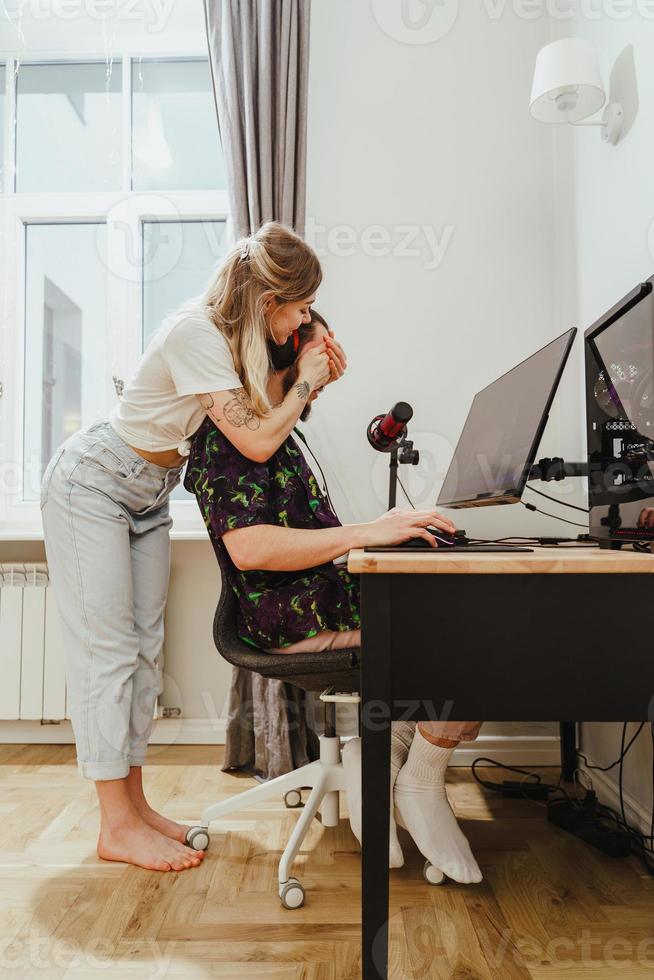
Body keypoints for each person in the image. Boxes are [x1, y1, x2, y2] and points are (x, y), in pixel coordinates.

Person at [39, 223, 347, 873]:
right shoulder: (195, 332)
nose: (303, 319)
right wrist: (303, 380)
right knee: (108, 656)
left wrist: (307, 375)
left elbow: (257, 414)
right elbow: (259, 441)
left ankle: (136, 806)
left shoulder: (230, 346)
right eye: (299, 307)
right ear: (269, 301)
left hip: (148, 493)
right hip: (92, 485)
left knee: (144, 655)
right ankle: (114, 824)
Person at [185, 311, 483, 884]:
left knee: (468, 599)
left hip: (320, 595)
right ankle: (418, 783)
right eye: (323, 348)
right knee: (468, 628)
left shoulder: (284, 435)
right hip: (290, 617)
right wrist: (366, 533)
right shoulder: (228, 433)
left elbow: (318, 539)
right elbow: (250, 548)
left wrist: (386, 527)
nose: (334, 361)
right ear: (286, 349)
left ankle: (386, 761)